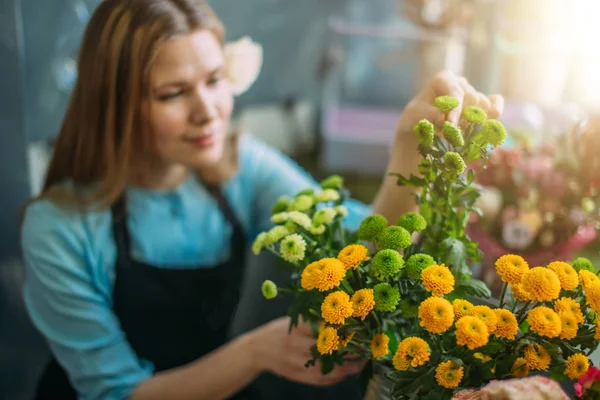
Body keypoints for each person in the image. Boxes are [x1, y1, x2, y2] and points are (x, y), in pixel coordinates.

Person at [20, 0, 504, 399]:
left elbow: (361, 248)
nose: (207, 112)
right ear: (114, 104)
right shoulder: (59, 227)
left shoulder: (238, 167)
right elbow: (117, 394)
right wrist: (255, 353)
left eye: (214, 81)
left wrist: (409, 152)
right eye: (172, 93)